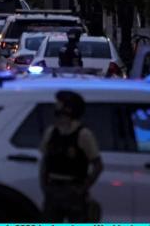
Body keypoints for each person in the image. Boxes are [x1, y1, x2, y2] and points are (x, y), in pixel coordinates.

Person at [40, 90, 103, 222]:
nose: (55, 106)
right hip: (53, 189)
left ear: (68, 108)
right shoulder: (51, 132)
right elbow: (45, 160)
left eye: (59, 103)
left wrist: (82, 188)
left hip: (74, 190)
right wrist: (45, 186)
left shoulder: (84, 134)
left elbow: (98, 165)